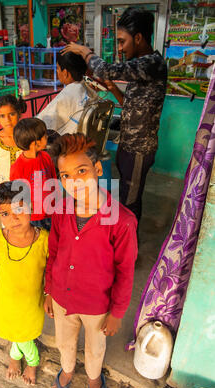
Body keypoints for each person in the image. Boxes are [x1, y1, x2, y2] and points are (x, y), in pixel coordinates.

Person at [44, 133, 138, 388]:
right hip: (62, 296)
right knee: (64, 342)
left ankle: (94, 378)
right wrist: (49, 290)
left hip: (97, 305)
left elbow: (125, 271)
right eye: (65, 175)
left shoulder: (122, 221)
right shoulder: (61, 210)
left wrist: (117, 312)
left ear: (98, 170)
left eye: (81, 171)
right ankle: (67, 371)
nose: (73, 181)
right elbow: (53, 252)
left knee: (96, 347)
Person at [63, 7, 168, 224]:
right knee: (126, 196)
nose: (120, 48)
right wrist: (111, 88)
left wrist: (84, 51)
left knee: (130, 203)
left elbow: (105, 69)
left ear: (138, 38)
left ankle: (129, 250)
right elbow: (128, 104)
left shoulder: (151, 64)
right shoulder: (142, 67)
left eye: (122, 41)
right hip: (128, 144)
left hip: (138, 149)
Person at [0, 182, 49, 385]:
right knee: (17, 335)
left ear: (31, 206)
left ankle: (30, 363)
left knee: (25, 338)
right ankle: (15, 359)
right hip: (6, 306)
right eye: (5, 214)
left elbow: (52, 273)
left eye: (19, 208)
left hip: (31, 307)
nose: (14, 218)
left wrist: (50, 295)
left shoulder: (45, 240)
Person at [9, 117, 59, 231]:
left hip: (52, 210)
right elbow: (16, 196)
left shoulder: (46, 156)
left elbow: (54, 180)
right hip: (34, 217)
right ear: (35, 143)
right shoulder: (17, 168)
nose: (47, 137)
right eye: (45, 136)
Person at [37, 51, 98, 137]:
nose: (57, 72)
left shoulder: (67, 95)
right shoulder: (86, 89)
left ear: (65, 73)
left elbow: (41, 125)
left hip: (66, 143)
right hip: (84, 139)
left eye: (57, 68)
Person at [0, 94, 27, 190]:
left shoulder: (27, 136)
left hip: (26, 187)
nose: (7, 120)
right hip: (4, 191)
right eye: (2, 116)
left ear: (19, 113)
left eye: (12, 114)